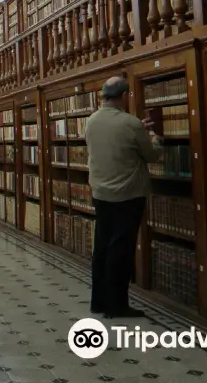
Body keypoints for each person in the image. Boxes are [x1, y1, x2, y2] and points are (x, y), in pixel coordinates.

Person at [85, 76, 163, 319]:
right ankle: (117, 305)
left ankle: (98, 302)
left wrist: (135, 127)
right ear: (125, 95)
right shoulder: (131, 124)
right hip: (127, 195)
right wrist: (157, 139)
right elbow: (150, 156)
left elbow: (113, 141)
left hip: (101, 193)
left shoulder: (91, 120)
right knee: (121, 250)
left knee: (102, 247)